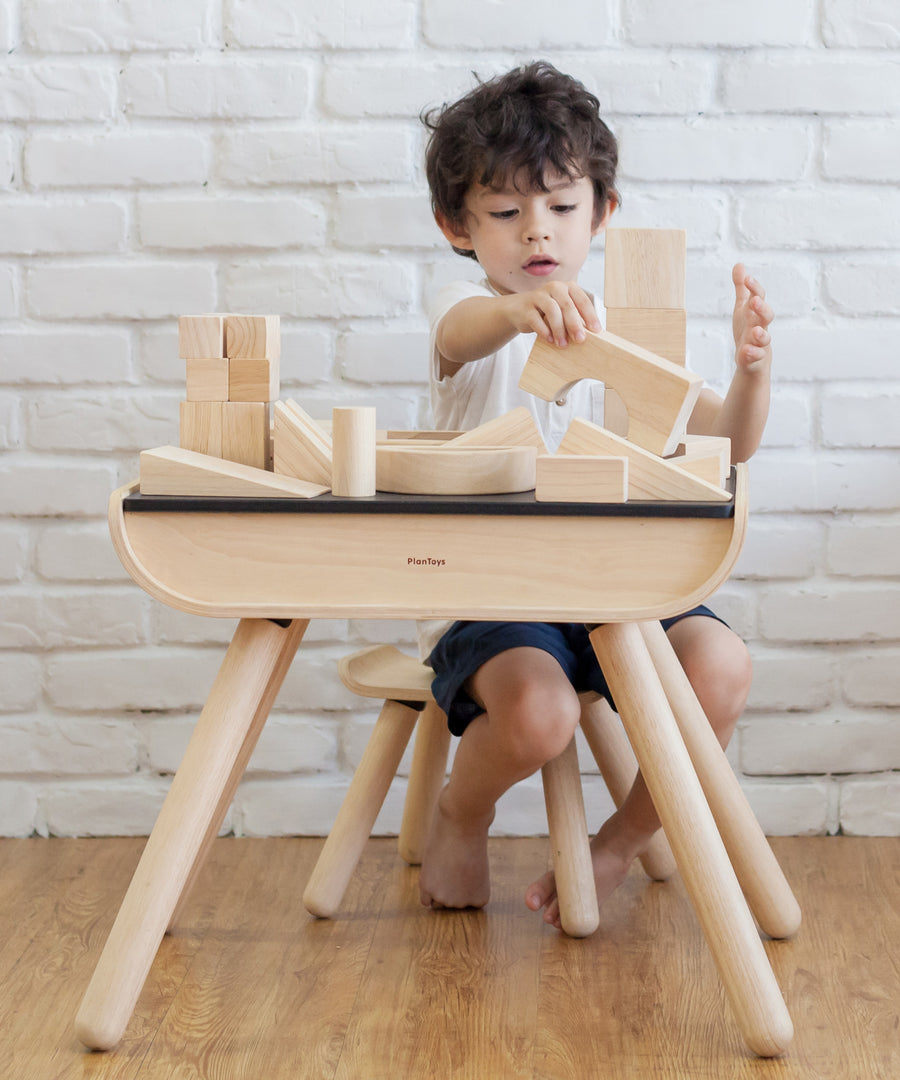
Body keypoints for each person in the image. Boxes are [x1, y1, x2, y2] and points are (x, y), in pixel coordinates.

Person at [416, 61, 773, 927]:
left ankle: (618, 843)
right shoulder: (470, 313)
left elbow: (726, 439)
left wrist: (751, 371)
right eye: (505, 215)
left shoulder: (622, 335)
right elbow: (460, 332)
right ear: (458, 227)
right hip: (499, 600)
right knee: (539, 716)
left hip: (622, 594)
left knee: (722, 667)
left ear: (602, 213)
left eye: (562, 209)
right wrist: (518, 310)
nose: (536, 233)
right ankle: (461, 812)